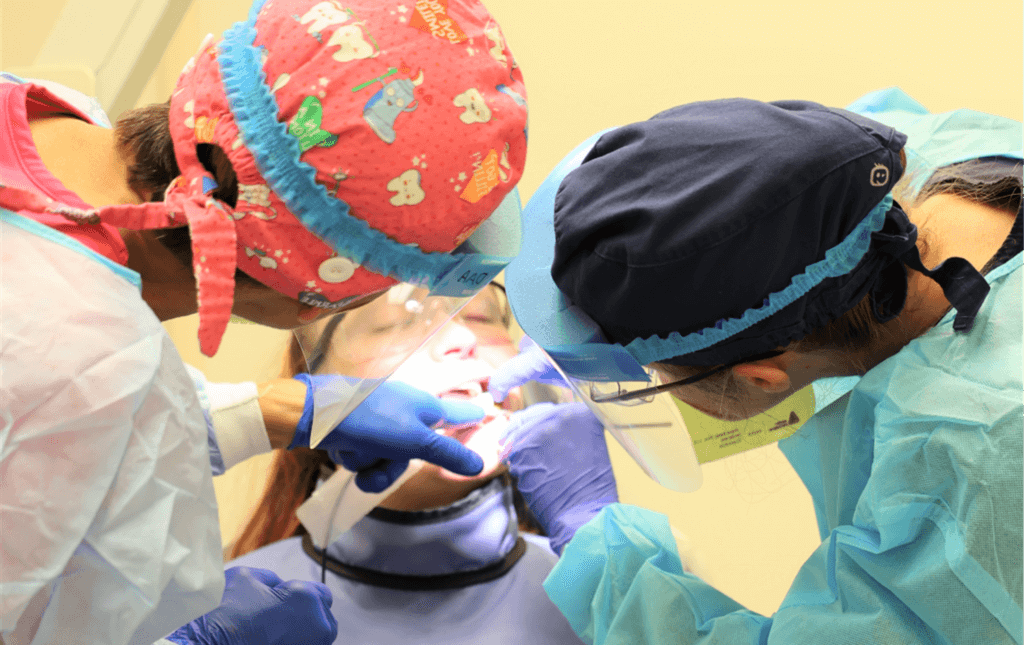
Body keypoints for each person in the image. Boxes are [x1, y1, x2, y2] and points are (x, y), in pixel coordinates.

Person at [0, 0, 528, 643]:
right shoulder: (81, 365)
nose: (459, 343)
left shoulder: (49, 116)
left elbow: (43, 426)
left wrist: (281, 412)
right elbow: (57, 403)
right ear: (313, 298)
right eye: (390, 311)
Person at [493, 88, 1022, 644]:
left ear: (762, 376)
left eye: (653, 376)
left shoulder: (989, 459)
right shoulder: (890, 177)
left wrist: (599, 554)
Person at [221, 283, 585, 644]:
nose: (461, 336)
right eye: (395, 322)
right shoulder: (230, 613)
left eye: (482, 317)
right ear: (319, 385)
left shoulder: (603, 591)